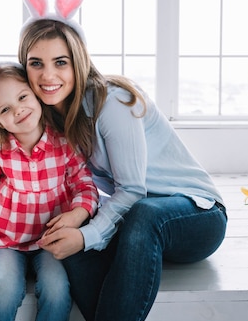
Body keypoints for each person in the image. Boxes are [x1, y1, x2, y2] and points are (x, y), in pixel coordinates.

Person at [18, 19, 228, 321]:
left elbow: (132, 191)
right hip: (135, 227)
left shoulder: (112, 100)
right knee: (73, 243)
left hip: (196, 216)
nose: (48, 75)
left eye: (60, 62)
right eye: (36, 63)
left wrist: (88, 234)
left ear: (78, 62)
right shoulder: (47, 114)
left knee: (143, 213)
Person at [0, 62, 99, 321]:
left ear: (36, 95)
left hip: (49, 243)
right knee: (4, 291)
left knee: (58, 291)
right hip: (6, 243)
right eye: (5, 109)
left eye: (23, 97)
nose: (19, 110)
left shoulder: (64, 143)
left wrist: (79, 212)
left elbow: (85, 185)